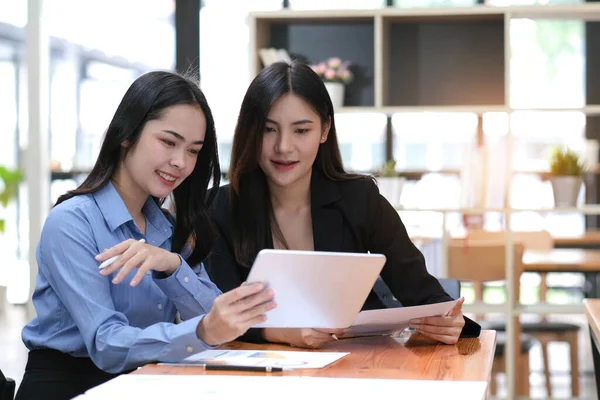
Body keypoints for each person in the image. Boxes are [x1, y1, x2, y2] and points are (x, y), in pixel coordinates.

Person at [16, 71, 275, 400]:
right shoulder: (71, 222)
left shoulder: (168, 227)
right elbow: (106, 345)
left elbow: (218, 323)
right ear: (127, 134)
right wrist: (203, 330)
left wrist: (172, 265)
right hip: (69, 386)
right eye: (168, 142)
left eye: (194, 151)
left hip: (145, 381)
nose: (180, 162)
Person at [204, 61, 480, 349]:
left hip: (359, 365)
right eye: (268, 129)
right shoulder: (220, 209)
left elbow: (424, 293)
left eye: (301, 131)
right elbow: (214, 314)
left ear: (324, 130)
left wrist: (452, 322)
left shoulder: (360, 199)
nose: (283, 146)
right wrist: (284, 333)